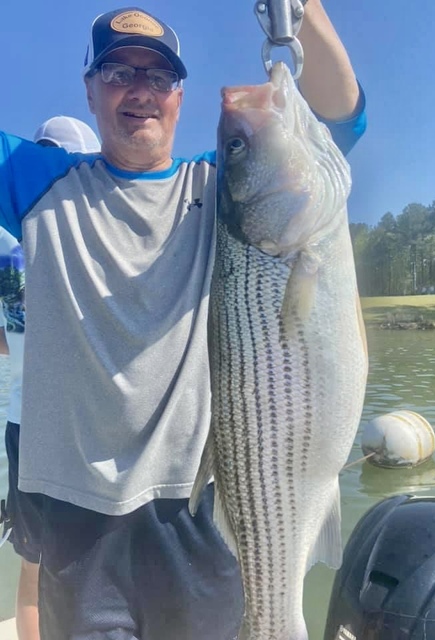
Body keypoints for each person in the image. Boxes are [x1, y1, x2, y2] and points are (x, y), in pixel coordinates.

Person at [0, 5, 366, 639]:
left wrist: (300, 12)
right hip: (78, 524)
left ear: (178, 96)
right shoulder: (36, 183)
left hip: (198, 512)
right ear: (89, 88)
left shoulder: (219, 189)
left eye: (159, 76)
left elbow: (342, 116)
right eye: (117, 70)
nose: (139, 89)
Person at [0, 117, 100, 640]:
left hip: (26, 423)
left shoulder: (5, 245)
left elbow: (7, 335)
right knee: (98, 560)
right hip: (88, 426)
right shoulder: (94, 239)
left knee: (34, 569)